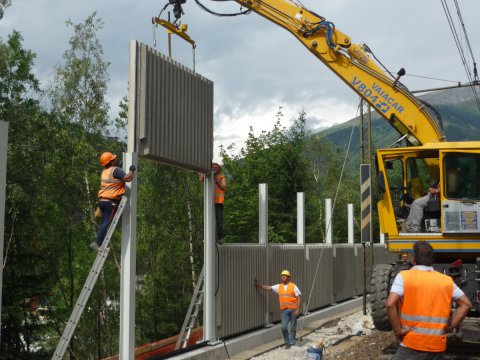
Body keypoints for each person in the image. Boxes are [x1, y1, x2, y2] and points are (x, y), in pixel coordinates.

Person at [386, 241, 472, 360]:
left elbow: (390, 304)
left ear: (414, 259)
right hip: (437, 346)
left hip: (412, 343)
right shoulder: (446, 280)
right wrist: (451, 327)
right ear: (432, 260)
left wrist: (398, 331)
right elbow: (466, 304)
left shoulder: (404, 276)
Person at [90, 152, 136, 252]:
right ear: (111, 161)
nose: (115, 160)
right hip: (110, 202)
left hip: (102, 201)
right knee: (106, 222)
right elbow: (128, 178)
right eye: (113, 159)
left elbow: (113, 180)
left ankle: (98, 241)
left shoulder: (105, 172)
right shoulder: (116, 170)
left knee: (103, 222)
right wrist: (132, 170)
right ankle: (97, 243)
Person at [255, 270, 302, 349]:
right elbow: (268, 288)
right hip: (285, 311)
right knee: (283, 327)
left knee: (293, 328)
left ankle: (292, 342)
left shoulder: (293, 286)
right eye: (282, 275)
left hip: (293, 310)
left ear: (288, 277)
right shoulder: (278, 286)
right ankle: (287, 342)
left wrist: (298, 310)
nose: (283, 276)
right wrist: (258, 285)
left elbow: (298, 297)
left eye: (285, 275)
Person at [199, 162, 227, 241]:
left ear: (219, 169)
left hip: (218, 202)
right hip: (209, 202)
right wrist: (202, 170)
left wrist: (218, 183)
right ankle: (207, 237)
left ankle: (220, 238)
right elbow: (201, 179)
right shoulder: (208, 175)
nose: (214, 168)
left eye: (216, 167)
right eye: (213, 167)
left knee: (219, 220)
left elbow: (224, 187)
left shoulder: (221, 177)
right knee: (207, 219)